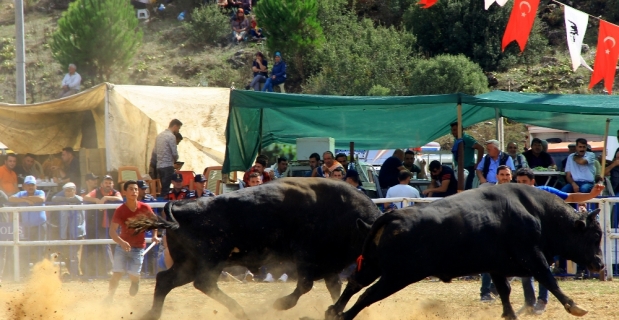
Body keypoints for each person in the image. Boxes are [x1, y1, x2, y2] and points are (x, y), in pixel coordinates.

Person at [515, 168, 604, 315]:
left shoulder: (543, 192)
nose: (521, 184)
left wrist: (591, 194)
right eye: (518, 182)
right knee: (526, 271)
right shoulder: (516, 196)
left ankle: (542, 301)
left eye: (524, 181)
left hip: (545, 239)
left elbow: (569, 197)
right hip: (526, 239)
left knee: (543, 269)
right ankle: (529, 303)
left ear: (532, 182)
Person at [104, 180, 159, 303]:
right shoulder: (120, 210)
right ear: (125, 192)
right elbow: (112, 231)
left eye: (136, 189)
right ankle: (110, 297)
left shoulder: (145, 207)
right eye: (131, 189)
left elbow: (154, 222)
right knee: (116, 274)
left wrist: (155, 235)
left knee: (133, 275)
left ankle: (135, 281)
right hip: (122, 247)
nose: (134, 191)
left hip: (138, 247)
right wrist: (122, 242)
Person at [82, 175, 123, 277]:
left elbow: (120, 198)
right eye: (106, 182)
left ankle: (118, 269)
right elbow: (86, 197)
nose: (108, 185)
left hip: (114, 225)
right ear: (102, 184)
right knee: (105, 245)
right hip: (101, 225)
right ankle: (110, 269)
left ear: (112, 184)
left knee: (116, 246)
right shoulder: (97, 191)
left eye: (110, 183)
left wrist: (105, 198)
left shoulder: (115, 192)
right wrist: (96, 200)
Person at [9, 176, 46, 267]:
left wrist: (27, 199)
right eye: (28, 185)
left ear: (36, 186)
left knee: (40, 250)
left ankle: (40, 273)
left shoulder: (40, 192)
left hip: (39, 226)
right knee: (25, 250)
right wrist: (25, 200)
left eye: (32, 185)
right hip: (26, 228)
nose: (30, 187)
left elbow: (41, 199)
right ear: (24, 186)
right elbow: (10, 199)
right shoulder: (21, 193)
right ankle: (25, 273)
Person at [52, 182, 86, 277]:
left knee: (75, 254)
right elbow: (54, 198)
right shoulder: (62, 199)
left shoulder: (79, 199)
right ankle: (72, 273)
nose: (69, 192)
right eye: (66, 191)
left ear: (75, 191)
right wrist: (66, 197)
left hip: (77, 231)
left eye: (71, 190)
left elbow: (78, 199)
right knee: (66, 254)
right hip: (66, 231)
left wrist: (67, 198)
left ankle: (76, 274)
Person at [450, 122, 484, 190]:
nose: (453, 132)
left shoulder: (466, 138)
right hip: (459, 169)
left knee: (467, 189)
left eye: (455, 130)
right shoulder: (456, 139)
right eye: (452, 130)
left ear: (460, 130)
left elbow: (481, 148)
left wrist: (478, 163)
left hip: (467, 168)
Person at [155, 119, 183, 196]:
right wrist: (176, 160)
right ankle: (165, 205)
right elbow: (174, 153)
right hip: (167, 166)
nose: (178, 131)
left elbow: (156, 151)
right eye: (178, 128)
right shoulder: (171, 136)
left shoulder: (159, 136)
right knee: (166, 189)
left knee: (163, 188)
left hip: (159, 166)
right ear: (175, 126)